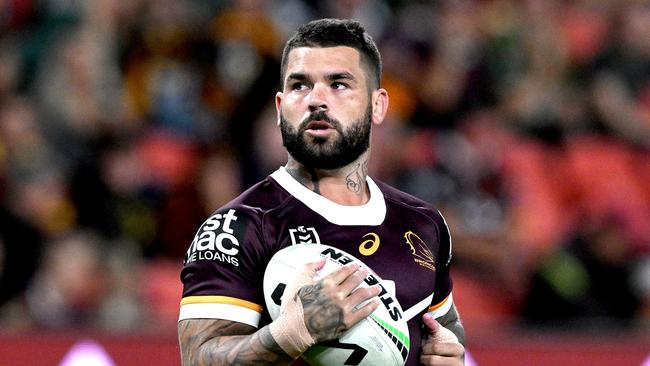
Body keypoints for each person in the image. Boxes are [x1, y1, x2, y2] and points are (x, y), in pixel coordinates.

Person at [178, 18, 465, 366]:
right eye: (300, 86)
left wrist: (449, 355)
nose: (316, 99)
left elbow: (446, 333)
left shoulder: (424, 223)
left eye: (339, 84)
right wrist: (290, 334)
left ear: (378, 105)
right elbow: (199, 357)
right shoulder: (239, 226)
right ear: (280, 107)